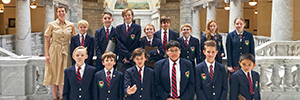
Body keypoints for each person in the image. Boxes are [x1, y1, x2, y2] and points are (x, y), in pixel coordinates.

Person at [43, 5, 77, 100]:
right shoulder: (51, 24)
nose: (61, 13)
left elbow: (73, 41)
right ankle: (55, 97)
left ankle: (62, 97)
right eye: (59, 11)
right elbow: (47, 41)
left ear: (65, 12)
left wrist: (75, 54)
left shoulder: (71, 25)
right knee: (53, 74)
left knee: (64, 74)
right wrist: (47, 55)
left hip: (66, 50)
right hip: (54, 50)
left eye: (62, 11)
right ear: (57, 13)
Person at [116, 8, 141, 74]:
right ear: (123, 17)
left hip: (132, 58)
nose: (127, 17)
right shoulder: (118, 28)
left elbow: (136, 43)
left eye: (129, 15)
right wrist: (127, 55)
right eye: (125, 15)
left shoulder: (137, 27)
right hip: (122, 58)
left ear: (132, 16)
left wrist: (130, 56)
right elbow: (119, 43)